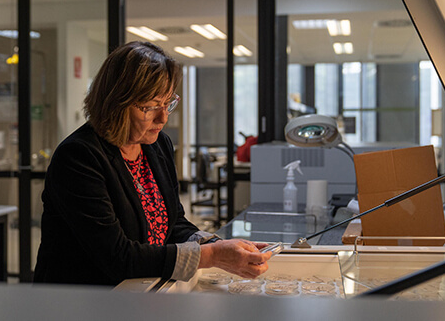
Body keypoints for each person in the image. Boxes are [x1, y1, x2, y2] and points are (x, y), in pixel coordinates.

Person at [33, 41, 272, 286]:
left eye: (168, 103)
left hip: (137, 292)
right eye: (150, 107)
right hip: (78, 301)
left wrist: (215, 244)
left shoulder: (158, 146)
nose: (164, 117)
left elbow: (174, 222)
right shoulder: (79, 157)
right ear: (116, 102)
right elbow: (116, 256)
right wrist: (211, 256)